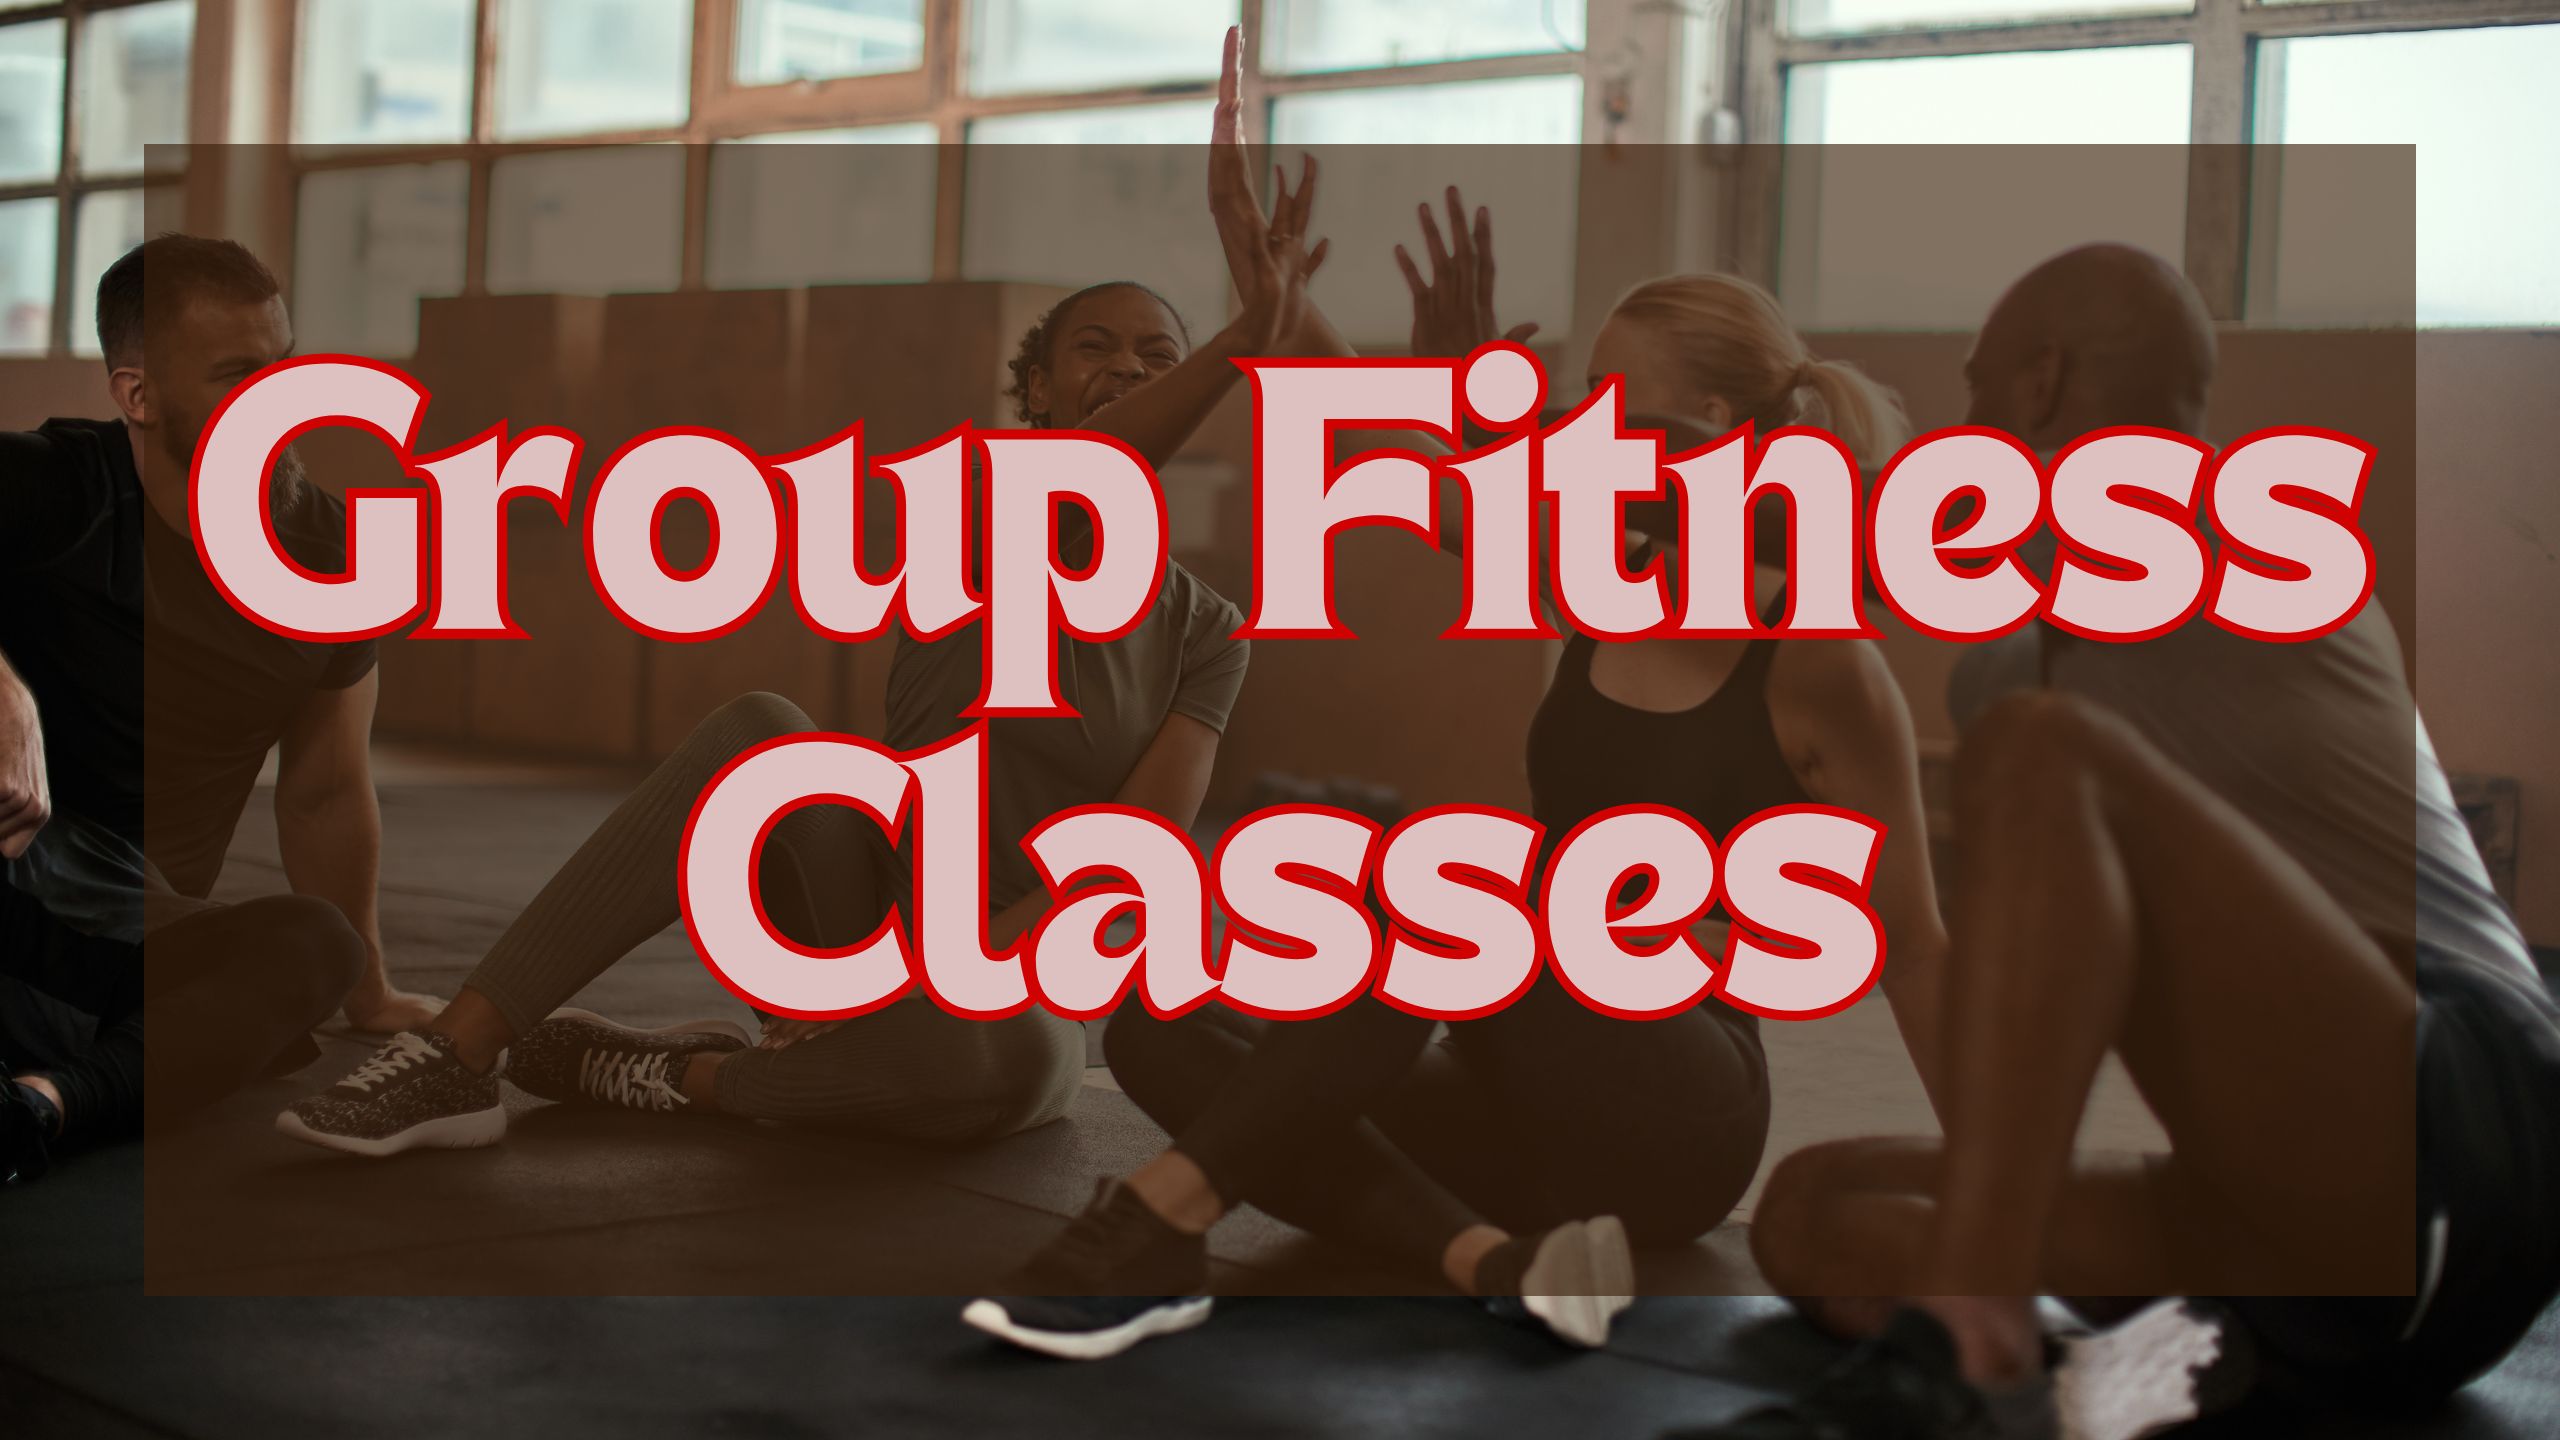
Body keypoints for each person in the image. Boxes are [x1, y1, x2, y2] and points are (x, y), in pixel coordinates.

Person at [273, 26, 1325, 1164]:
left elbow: (1138, 843)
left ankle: (674, 1076)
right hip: (847, 904)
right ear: (1034, 387)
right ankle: (459, 1057)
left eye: (1159, 353)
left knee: (1026, 1068)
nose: (1129, 364)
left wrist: (967, 965)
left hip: (992, 974)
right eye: (1094, 346)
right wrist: (1249, 331)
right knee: (762, 732)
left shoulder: (1207, 630)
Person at [963, 184, 1954, 1362]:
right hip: (1518, 1107)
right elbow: (1380, 446)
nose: (1581, 422)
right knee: (1158, 1038)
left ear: (1708, 432)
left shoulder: (1816, 661)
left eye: (1610, 405)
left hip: (1678, 1108)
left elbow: (1914, 946)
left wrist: (2005, 1206)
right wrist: (1276, 296)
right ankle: (1496, 1261)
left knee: (1461, 862)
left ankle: (1158, 1217)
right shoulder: (1588, 574)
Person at [1680, 244, 2560, 1439]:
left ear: (2039, 383)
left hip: (2467, 1128)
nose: (1970, 419)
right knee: (1813, 1214)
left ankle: (1969, 1344)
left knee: (2040, 754)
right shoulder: (2055, 623)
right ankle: (2163, 1371)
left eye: (1981, 388)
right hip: (2303, 1253)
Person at [2, 235, 434, 1185]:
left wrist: (370, 992)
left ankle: (41, 1107)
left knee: (312, 945)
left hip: (120, 942)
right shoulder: (55, 487)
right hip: (12, 873)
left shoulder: (335, 554)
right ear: (138, 395)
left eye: (282, 368)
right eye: (238, 375)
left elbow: (324, 790)